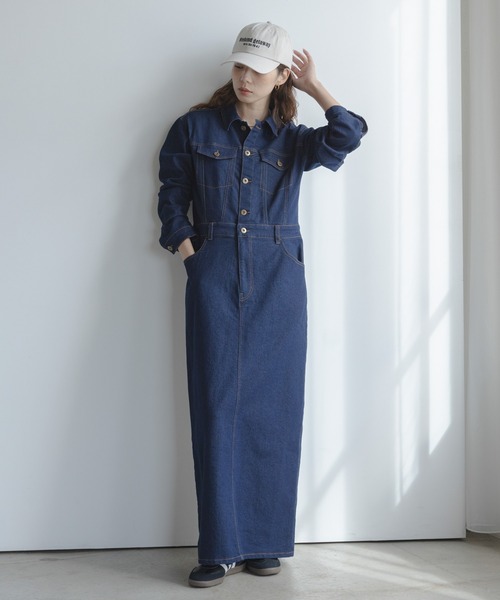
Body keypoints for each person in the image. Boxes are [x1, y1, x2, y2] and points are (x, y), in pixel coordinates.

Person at [157, 21, 367, 588]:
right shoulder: (193, 127)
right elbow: (172, 197)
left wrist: (316, 86)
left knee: (275, 408)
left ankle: (264, 542)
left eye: (258, 69)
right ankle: (219, 546)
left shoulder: (294, 140)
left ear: (280, 76)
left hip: (279, 276)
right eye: (239, 66)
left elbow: (349, 134)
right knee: (215, 405)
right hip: (215, 268)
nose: (245, 78)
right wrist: (191, 255)